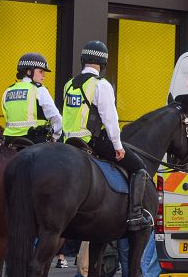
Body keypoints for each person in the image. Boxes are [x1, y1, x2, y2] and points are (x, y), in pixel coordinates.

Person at [62, 41, 149, 230]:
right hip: (91, 142)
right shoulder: (101, 85)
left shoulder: (69, 84)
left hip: (67, 142)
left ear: (83, 60)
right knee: (139, 167)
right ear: (103, 63)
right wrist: (118, 146)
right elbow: (110, 119)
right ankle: (135, 215)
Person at [2, 53, 62, 146]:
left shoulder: (8, 91)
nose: (44, 75)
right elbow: (55, 116)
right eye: (41, 71)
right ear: (29, 72)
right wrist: (55, 136)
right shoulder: (39, 89)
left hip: (10, 141)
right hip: (34, 141)